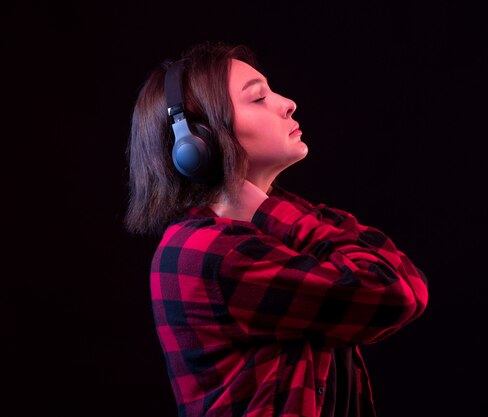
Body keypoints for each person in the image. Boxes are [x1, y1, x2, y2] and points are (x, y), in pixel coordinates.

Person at [125, 40, 429, 417]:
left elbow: (405, 281)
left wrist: (268, 210)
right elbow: (391, 292)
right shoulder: (210, 252)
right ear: (196, 141)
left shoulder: (274, 220)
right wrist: (270, 211)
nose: (287, 103)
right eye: (258, 99)